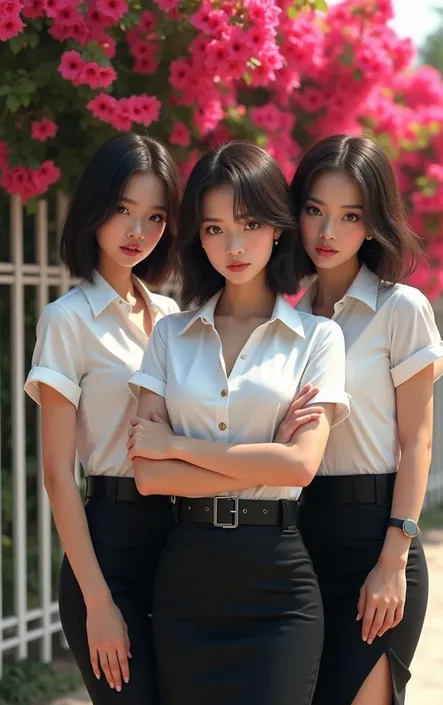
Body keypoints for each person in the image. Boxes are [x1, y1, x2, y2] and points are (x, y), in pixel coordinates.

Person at [126, 141, 350, 705]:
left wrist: (177, 445)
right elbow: (150, 478)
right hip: (187, 580)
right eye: (213, 228)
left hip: (278, 583)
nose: (233, 245)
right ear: (197, 238)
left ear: (277, 227)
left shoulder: (318, 338)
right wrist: (263, 456)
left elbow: (300, 466)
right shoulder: (169, 336)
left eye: (249, 224)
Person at [286, 134, 443, 705]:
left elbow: (418, 440)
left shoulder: (400, 309)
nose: (327, 232)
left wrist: (393, 559)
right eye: (315, 211)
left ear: (373, 222)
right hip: (299, 542)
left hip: (377, 538)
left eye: (349, 216)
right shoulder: (288, 323)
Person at [24, 133, 181, 704]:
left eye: (155, 216)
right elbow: (58, 475)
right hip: (109, 545)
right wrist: (98, 602)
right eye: (122, 210)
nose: (137, 232)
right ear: (94, 209)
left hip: (184, 543)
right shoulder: (67, 321)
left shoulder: (171, 317)